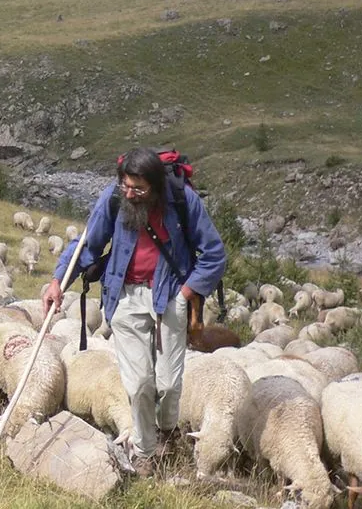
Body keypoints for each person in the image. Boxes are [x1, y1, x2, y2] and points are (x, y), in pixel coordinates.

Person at [41, 147, 226, 475]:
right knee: (140, 383)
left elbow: (214, 253)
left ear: (156, 186)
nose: (131, 194)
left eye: (138, 189)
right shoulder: (114, 200)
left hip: (169, 294)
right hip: (123, 296)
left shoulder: (182, 201)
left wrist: (186, 293)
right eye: (126, 186)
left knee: (168, 383)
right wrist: (58, 281)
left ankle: (167, 428)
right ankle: (145, 451)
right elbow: (87, 245)